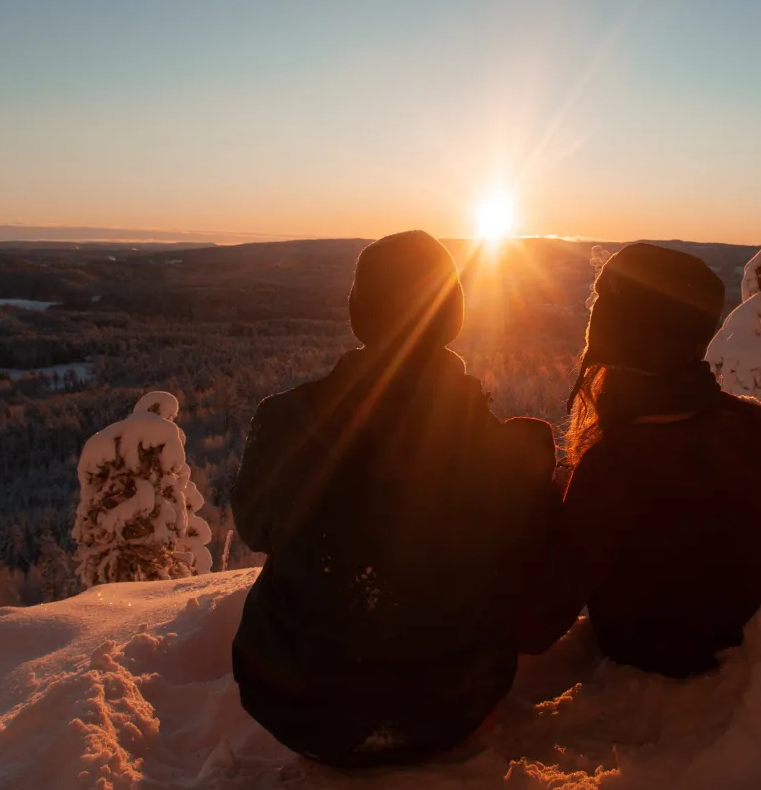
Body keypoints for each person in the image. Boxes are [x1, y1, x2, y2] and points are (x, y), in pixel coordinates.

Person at [229, 230, 558, 768]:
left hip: (296, 707)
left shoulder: (286, 422)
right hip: (455, 708)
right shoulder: (495, 447)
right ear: (452, 315)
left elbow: (255, 527)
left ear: (360, 311)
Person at [513, 243, 761, 678]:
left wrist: (538, 508)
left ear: (610, 340)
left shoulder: (615, 464)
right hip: (745, 649)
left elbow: (534, 627)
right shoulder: (755, 426)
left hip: (652, 661)